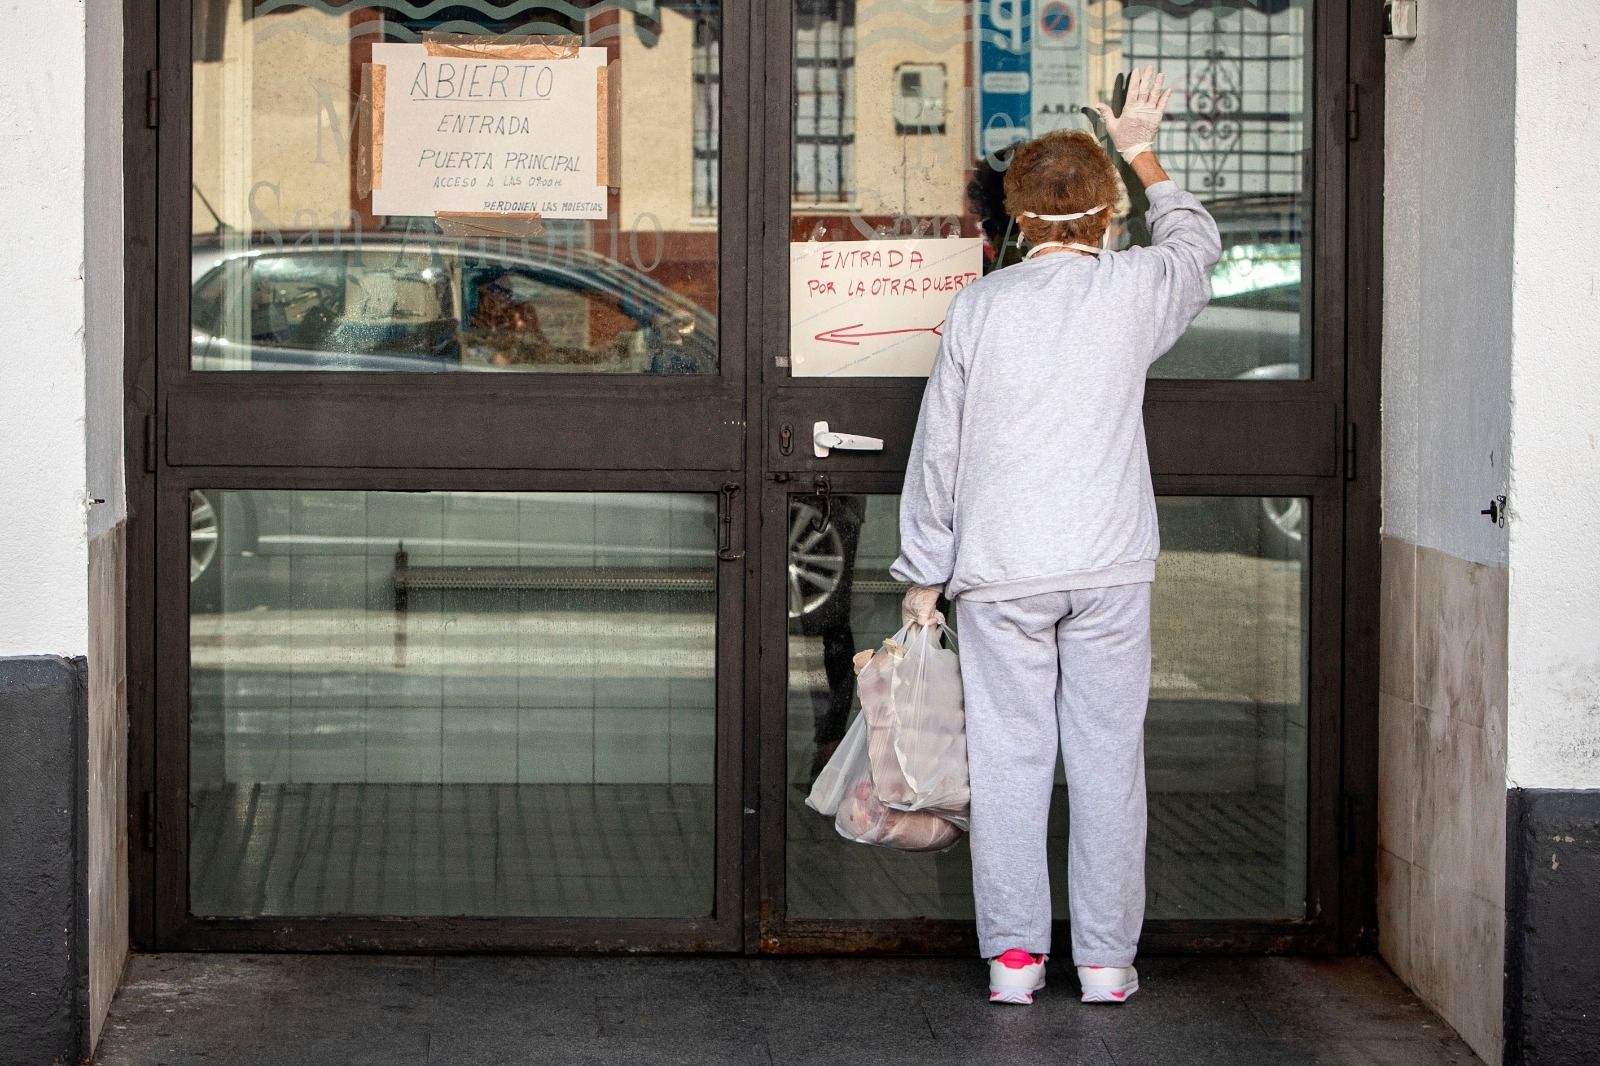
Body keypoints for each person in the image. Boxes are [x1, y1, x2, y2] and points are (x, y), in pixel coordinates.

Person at [889, 67, 1221, 1006]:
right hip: (1110, 566)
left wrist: (925, 571)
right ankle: (1108, 963)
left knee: (1011, 764)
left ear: (1019, 222)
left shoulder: (981, 309)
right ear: (1108, 216)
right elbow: (1199, 242)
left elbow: (939, 450)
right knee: (1111, 762)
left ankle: (1016, 962)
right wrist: (1141, 146)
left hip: (1000, 573)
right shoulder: (1137, 289)